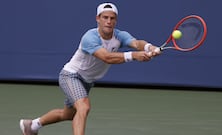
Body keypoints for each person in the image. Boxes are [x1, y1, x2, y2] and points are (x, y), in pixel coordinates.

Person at [19, 2, 161, 135]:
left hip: (87, 81)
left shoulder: (119, 35)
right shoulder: (90, 37)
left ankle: (32, 126)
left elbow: (136, 43)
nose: (109, 21)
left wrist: (150, 47)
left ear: (116, 21)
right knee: (83, 107)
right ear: (97, 19)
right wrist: (134, 56)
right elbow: (106, 57)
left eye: (112, 18)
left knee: (69, 114)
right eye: (105, 17)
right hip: (71, 75)